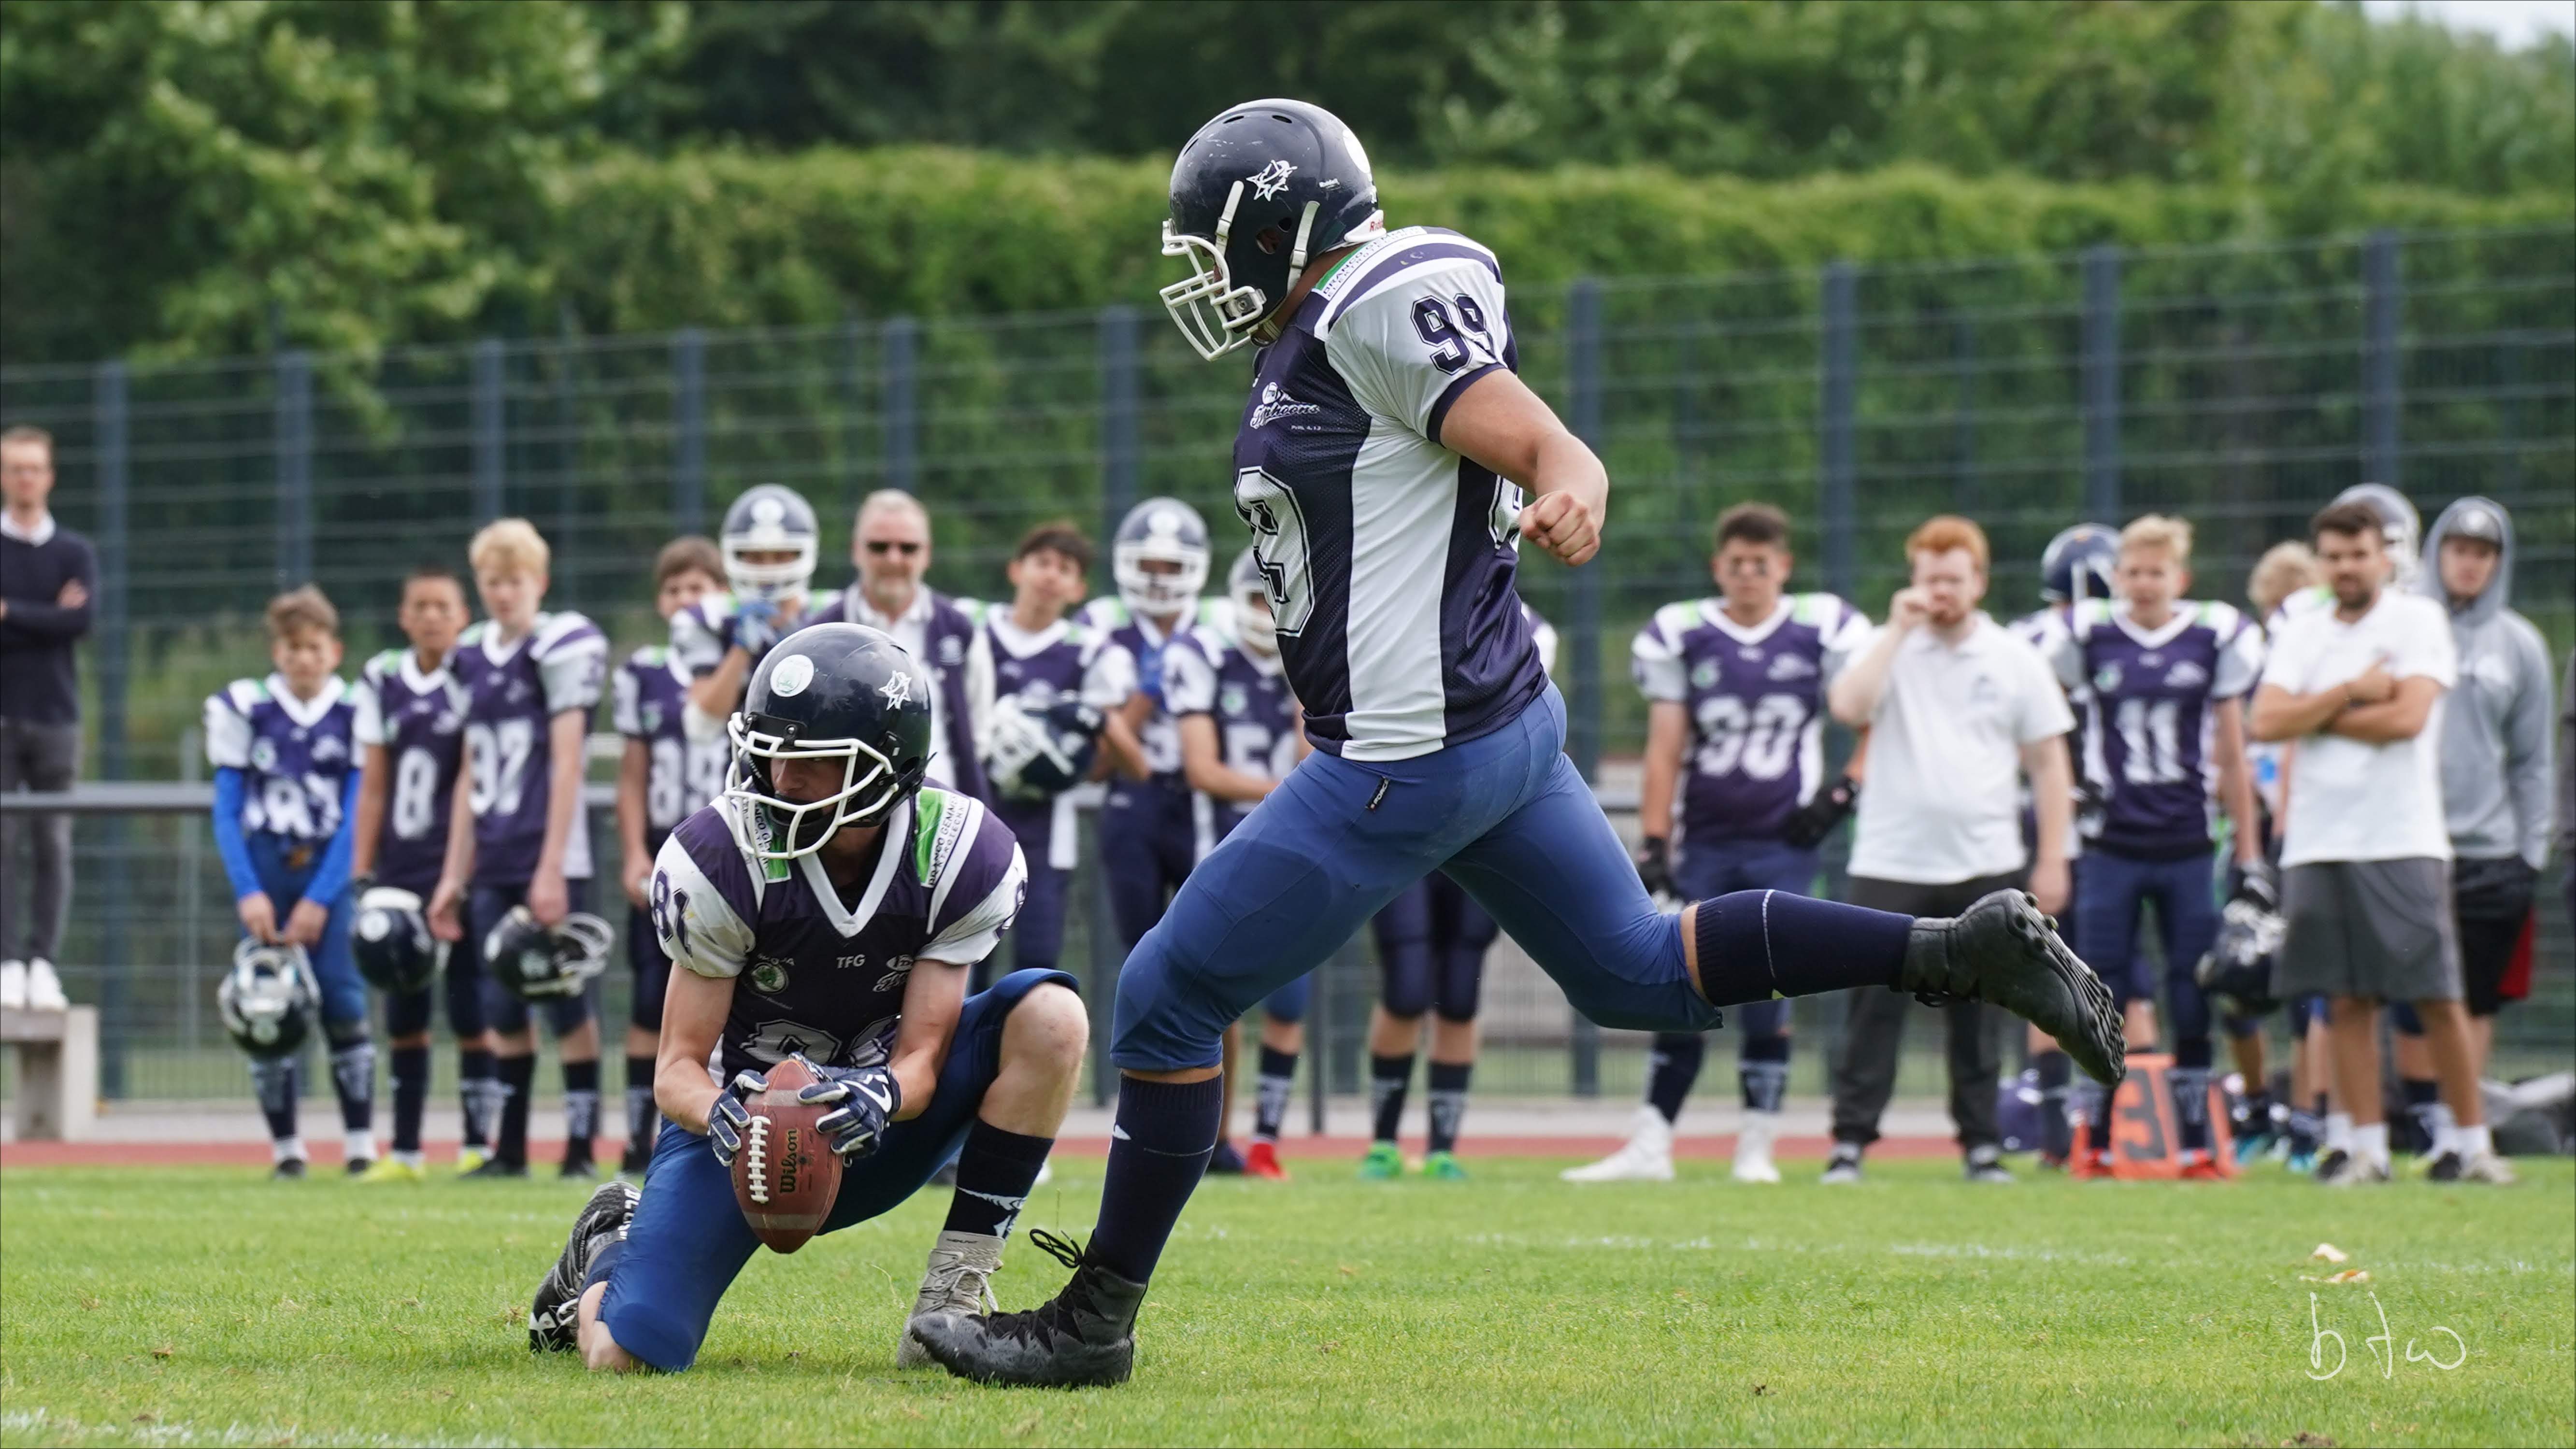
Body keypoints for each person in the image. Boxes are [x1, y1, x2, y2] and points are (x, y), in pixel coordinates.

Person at [911, 99, 2120, 1390]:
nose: (1202, 274)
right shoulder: (1336, 321)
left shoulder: (1373, 297)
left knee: (1163, 999)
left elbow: (1534, 432)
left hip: (1410, 753)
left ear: (1280, 228)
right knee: (1638, 976)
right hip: (1494, 732)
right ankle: (1957, 948)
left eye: (1216, 242)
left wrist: (1570, 475)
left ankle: (1094, 1321)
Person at [523, 625, 1087, 1376]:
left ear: (891, 766)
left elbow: (922, 1058)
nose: (779, 779)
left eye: (810, 761)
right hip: (736, 1138)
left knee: (1052, 1017)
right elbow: (678, 1068)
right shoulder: (719, 858)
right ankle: (606, 1245)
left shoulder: (956, 852)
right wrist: (721, 1109)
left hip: (878, 1123)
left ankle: (950, 1300)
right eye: (769, 751)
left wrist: (880, 1093)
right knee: (624, 1357)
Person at [1566, 503, 1867, 1185]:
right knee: (1683, 984)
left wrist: (1844, 790)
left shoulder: (1822, 628)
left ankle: (1756, 1146)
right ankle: (1652, 1143)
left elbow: (1870, 707)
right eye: (1737, 564)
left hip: (1782, 841)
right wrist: (1653, 838)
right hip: (1706, 839)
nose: (1749, 576)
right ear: (1718, 568)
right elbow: (1665, 747)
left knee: (1768, 992)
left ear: (1783, 569)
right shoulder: (1686, 634)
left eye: (1762, 565)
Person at [2249, 500, 2510, 1185]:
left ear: (2384, 556)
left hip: (2402, 836)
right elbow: (2267, 718)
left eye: (2358, 555)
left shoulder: (2417, 619)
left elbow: (2408, 717)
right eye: (2334, 557)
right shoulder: (2303, 630)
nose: (2346, 568)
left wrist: (2319, 715)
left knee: (2436, 997)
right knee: (2342, 998)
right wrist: (2349, 692)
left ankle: (2473, 1143)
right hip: (2317, 840)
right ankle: (2365, 1148)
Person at [1821, 515, 2080, 1186]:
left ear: (1979, 582)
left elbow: (2051, 765)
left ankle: (1982, 1147)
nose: (1941, 591)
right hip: (1890, 858)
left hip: (1986, 861)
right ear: (1914, 580)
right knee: (1871, 1009)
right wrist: (1897, 629)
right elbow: (1849, 707)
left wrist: (2052, 858)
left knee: (1983, 1012)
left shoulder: (2015, 658)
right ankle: (1850, 1143)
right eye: (1930, 577)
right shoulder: (1889, 645)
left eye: (1954, 579)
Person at [2042, 515, 2267, 1179]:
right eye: (2132, 572)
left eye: (2155, 573)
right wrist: (2070, 799)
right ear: (2117, 578)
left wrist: (2249, 854)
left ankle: (2198, 1142)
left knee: (2192, 988)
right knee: (2101, 987)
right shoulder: (2086, 637)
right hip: (2110, 843)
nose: (2142, 585)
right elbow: (2049, 729)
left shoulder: (2211, 637)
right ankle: (2101, 1140)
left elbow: (2231, 754)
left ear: (2180, 579)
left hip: (2187, 843)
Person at [427, 518, 612, 1179]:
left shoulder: (560, 645)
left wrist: (553, 867)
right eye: (493, 582)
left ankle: (582, 1147)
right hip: (495, 854)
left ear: (541, 581)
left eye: (516, 580)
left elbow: (567, 764)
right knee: (502, 1003)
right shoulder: (472, 656)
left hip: (547, 854)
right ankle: (509, 1148)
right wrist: (454, 873)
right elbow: (470, 772)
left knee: (566, 999)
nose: (504, 593)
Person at [1360, 600, 1551, 1183]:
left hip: (1482, 824)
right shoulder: (1396, 604)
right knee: (1407, 985)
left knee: (1460, 989)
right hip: (1405, 818)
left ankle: (1444, 1145)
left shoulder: (1531, 629)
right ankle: (1384, 1142)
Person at [1085, 497, 1242, 1169]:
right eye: (1146, 562)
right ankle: (1141, 1119)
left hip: (1204, 799)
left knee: (1218, 960)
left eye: (1170, 564)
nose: (1156, 576)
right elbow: (1096, 754)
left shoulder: (1223, 623)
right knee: (1140, 964)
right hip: (1133, 801)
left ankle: (1221, 1133)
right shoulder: (1101, 626)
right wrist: (1145, 698)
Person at [205, 587, 374, 1176]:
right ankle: (286, 1151)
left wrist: (324, 897)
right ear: (278, 652)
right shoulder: (247, 708)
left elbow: (357, 816)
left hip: (326, 868)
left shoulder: (356, 709)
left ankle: (359, 1144)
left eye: (314, 647)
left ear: (334, 650)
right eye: (293, 648)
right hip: (267, 865)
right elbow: (226, 811)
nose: (304, 658)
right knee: (265, 1005)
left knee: (344, 1001)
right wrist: (247, 888)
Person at [1169, 549, 1314, 1181]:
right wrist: (1287, 791)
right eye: (1255, 598)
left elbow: (1320, 753)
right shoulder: (1203, 654)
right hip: (1224, 848)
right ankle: (1213, 1138)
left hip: (1298, 849)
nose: (1265, 610)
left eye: (1272, 597)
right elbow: (1202, 769)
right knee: (1216, 1000)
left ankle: (1266, 1141)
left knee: (1289, 1000)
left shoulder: (1311, 655)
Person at [348, 565, 486, 1180]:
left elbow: (474, 775)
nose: (431, 616)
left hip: (456, 868)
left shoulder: (477, 675)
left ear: (463, 616)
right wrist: (362, 871)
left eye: (443, 606)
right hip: (400, 871)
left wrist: (460, 870)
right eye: (420, 606)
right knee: (404, 1014)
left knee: (470, 1010)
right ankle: (404, 1150)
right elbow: (374, 784)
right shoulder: (381, 678)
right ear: (404, 616)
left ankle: (478, 1143)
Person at [2414, 499, 2553, 1108]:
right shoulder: (2406, 627)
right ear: (2437, 553)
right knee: (2410, 996)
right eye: (2460, 550)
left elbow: (2532, 760)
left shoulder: (2518, 645)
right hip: (2411, 842)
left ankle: (2460, 1126)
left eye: (2484, 554)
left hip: (2492, 851)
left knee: (2476, 997)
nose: (2470, 565)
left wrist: (2530, 853)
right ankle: (2410, 1117)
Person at [611, 537, 732, 1175]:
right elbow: (632, 775)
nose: (689, 601)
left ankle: (711, 1122)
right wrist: (634, 852)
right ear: (662, 600)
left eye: (701, 588)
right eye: (677, 589)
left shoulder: (749, 660)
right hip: (668, 848)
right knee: (647, 998)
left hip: (730, 850)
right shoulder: (643, 672)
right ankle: (638, 1135)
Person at [2008, 522, 2119, 1165]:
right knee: (2118, 979)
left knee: (2041, 977)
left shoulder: (2024, 637)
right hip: (2104, 826)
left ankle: (2058, 1137)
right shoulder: (2109, 633)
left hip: (2036, 822)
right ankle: (2117, 1129)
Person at [978, 522, 1123, 983]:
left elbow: (1118, 756)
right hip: (975, 811)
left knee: (1036, 966)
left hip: (1046, 825)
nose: (1051, 575)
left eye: (1065, 568)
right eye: (1042, 562)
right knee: (966, 961)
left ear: (1078, 588)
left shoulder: (1089, 652)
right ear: (1016, 569)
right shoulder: (972, 630)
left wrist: (1070, 763)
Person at [802, 490, 992, 802]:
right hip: (842, 813)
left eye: (908, 548)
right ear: (856, 551)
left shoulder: (960, 631)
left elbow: (978, 736)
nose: (894, 558)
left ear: (927, 554)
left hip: (940, 812)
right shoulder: (821, 633)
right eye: (879, 547)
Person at [2237, 540, 2325, 1168]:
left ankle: (2307, 1119)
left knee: (2310, 989)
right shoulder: (2248, 668)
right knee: (2236, 975)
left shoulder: (2319, 664)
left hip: (2305, 835)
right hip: (2252, 836)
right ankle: (2260, 1106)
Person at [0, 425, 92, 1014]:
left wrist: (11, 612)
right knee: (2, 844)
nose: (25, 478)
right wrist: (47, 616)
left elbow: (80, 623)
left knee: (53, 845)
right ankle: (7, 962)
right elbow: (59, 622)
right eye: (15, 468)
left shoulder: (75, 552)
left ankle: (44, 964)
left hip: (57, 717)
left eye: (34, 468)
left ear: (51, 476)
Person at [674, 484, 819, 735]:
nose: (768, 567)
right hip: (738, 767)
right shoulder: (710, 620)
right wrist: (741, 651)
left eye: (780, 555)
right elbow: (701, 728)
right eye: (755, 556)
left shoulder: (832, 616)